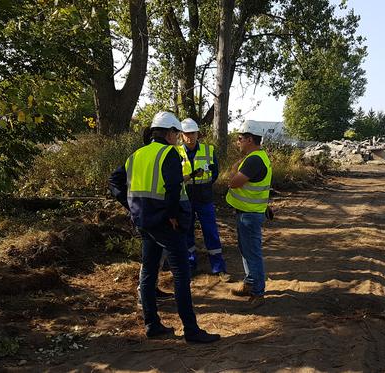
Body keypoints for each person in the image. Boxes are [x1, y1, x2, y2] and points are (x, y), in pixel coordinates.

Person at [108, 111, 220, 343]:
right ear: (169, 133)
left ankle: (152, 325)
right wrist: (171, 215)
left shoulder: (137, 154)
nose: (178, 138)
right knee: (181, 274)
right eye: (177, 134)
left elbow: (114, 181)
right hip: (166, 224)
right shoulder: (168, 153)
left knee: (148, 271)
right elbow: (171, 187)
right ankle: (191, 330)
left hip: (144, 221)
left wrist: (129, 206)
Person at [226, 120, 273, 307]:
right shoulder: (256, 157)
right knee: (246, 252)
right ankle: (250, 283)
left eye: (240, 138)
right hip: (248, 213)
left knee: (252, 253)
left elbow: (234, 182)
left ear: (250, 139)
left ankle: (258, 292)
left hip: (249, 214)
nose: (238, 141)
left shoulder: (254, 160)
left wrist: (232, 173)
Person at [178, 118, 230, 282]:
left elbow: (214, 173)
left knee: (211, 232)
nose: (190, 137)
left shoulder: (208, 150)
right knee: (187, 233)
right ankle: (191, 265)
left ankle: (218, 268)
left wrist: (204, 184)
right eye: (186, 134)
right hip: (185, 198)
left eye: (192, 133)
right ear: (181, 135)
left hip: (205, 198)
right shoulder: (176, 153)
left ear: (197, 134)